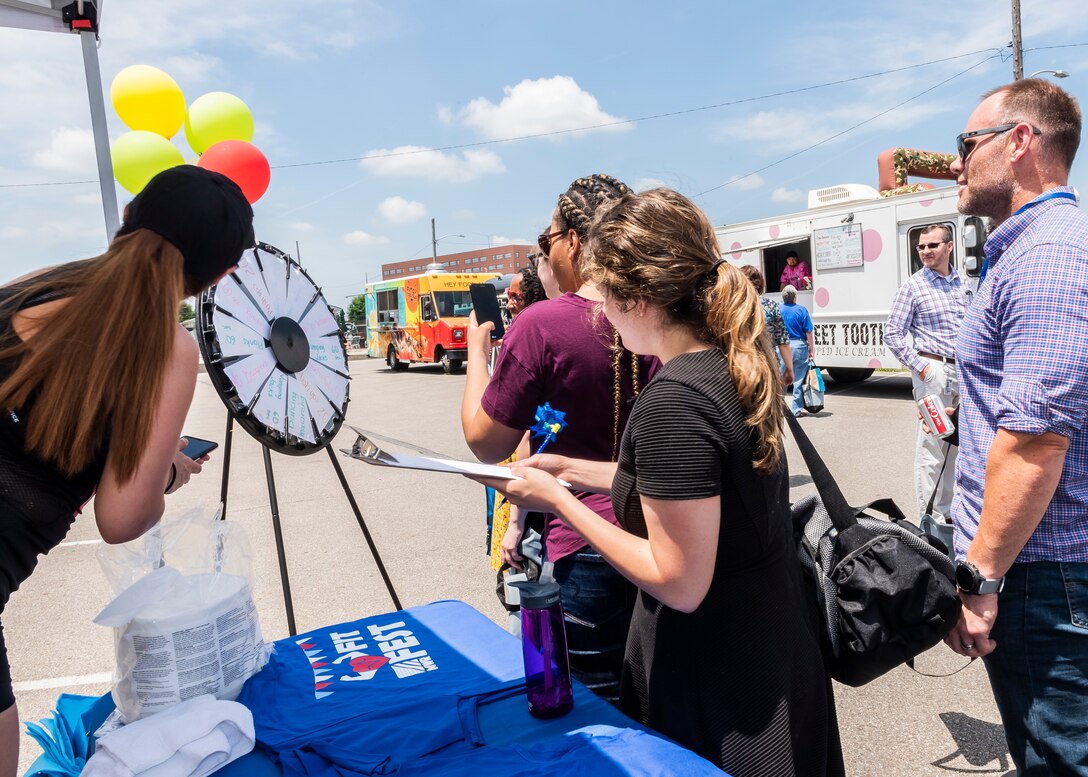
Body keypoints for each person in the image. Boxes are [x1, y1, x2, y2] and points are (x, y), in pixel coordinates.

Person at [472, 188, 843, 775]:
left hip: (723, 685)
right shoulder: (727, 364)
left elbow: (679, 580)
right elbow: (691, 491)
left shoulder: (674, 401)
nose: (599, 312)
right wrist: (569, 471)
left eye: (603, 297)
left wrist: (560, 505)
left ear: (637, 299)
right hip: (769, 653)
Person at [0, 165, 254, 775]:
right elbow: (121, 518)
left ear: (126, 216)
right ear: (219, 275)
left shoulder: (35, 287)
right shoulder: (169, 350)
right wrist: (164, 475)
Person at [462, 174, 656, 704]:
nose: (545, 251)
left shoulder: (543, 324)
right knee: (654, 704)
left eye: (547, 240)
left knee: (595, 712)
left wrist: (478, 354)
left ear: (573, 240)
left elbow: (484, 441)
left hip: (582, 543)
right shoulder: (656, 311)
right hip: (660, 534)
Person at [946, 78, 1088, 775]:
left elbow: (1034, 445)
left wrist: (981, 579)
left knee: (1059, 759)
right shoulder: (1030, 250)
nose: (957, 163)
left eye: (967, 145)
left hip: (1043, 577)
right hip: (1040, 572)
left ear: (1021, 142)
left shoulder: (1046, 258)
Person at [884, 224, 967, 546]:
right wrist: (921, 367)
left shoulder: (964, 284)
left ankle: (948, 512)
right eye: (921, 247)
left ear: (949, 246)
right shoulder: (913, 287)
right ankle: (928, 521)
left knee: (957, 446)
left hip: (962, 371)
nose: (925, 251)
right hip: (932, 370)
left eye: (933, 245)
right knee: (933, 447)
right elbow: (892, 333)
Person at [740, 264, 794, 389]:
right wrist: (789, 369)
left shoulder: (731, 307)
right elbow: (783, 341)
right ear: (760, 284)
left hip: (740, 365)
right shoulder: (771, 305)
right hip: (767, 364)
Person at [781, 284, 814, 417]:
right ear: (795, 297)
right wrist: (812, 350)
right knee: (798, 380)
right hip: (799, 346)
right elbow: (809, 331)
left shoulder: (777, 309)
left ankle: (780, 408)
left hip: (783, 346)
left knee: (781, 378)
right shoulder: (802, 310)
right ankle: (796, 410)